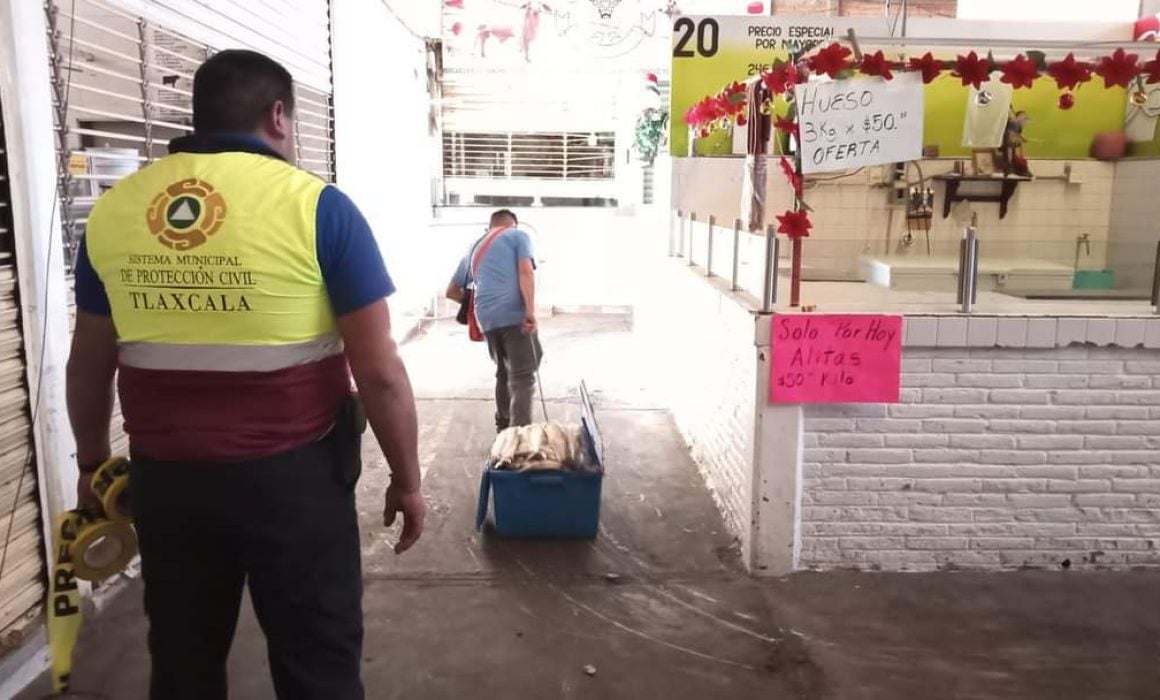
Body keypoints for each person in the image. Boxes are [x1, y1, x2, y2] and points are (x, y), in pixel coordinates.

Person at [66, 49, 424, 700]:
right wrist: (408, 478)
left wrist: (93, 461)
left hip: (168, 484)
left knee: (182, 661)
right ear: (278, 115)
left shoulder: (115, 211)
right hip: (296, 483)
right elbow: (380, 373)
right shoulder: (318, 208)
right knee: (317, 663)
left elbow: (89, 361)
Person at [446, 209, 542, 432]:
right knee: (523, 376)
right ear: (513, 224)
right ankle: (520, 438)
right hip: (513, 314)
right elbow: (525, 272)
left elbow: (451, 291)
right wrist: (530, 311)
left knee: (503, 370)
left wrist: (483, 305)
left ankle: (504, 425)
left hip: (486, 319)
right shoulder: (518, 236)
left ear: (490, 226)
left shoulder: (475, 247)